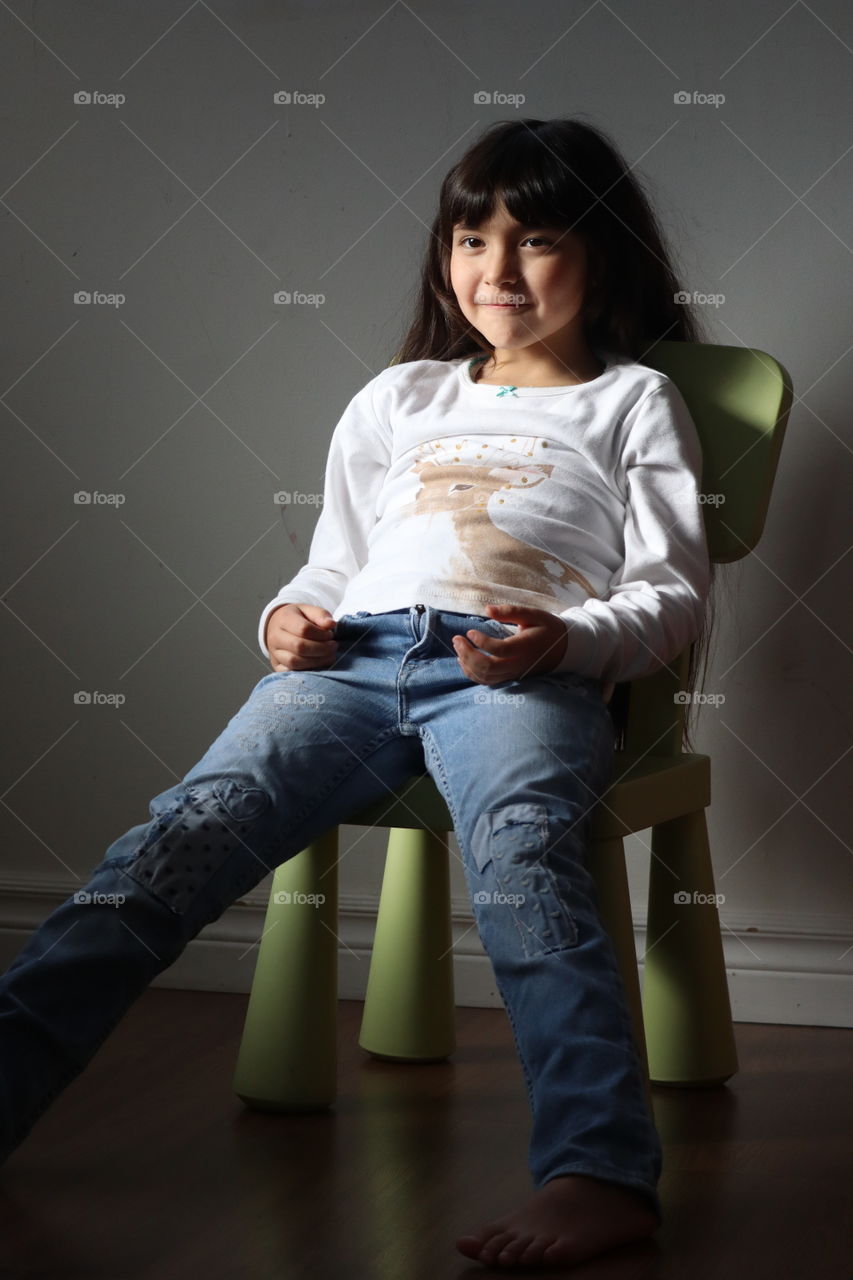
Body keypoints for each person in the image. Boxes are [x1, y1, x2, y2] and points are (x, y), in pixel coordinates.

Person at [0, 116, 713, 1270]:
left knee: (527, 859)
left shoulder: (629, 402)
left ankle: (599, 1168)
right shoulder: (402, 398)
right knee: (175, 840)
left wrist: (565, 642)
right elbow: (335, 560)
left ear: (604, 253)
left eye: (535, 240)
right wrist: (284, 616)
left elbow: (672, 592)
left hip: (508, 667)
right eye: (471, 237)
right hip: (352, 659)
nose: (496, 268)